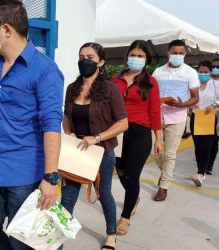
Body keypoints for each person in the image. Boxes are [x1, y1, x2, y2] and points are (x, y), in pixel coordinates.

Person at [0, 1, 64, 249]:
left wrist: (51, 178)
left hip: (26, 175)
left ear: (6, 30)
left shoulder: (44, 70)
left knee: (28, 242)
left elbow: (52, 124)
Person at [62, 42, 128, 250]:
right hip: (76, 151)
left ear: (101, 62)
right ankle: (59, 236)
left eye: (90, 57)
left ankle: (111, 234)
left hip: (101, 152)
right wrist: (69, 133)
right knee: (68, 196)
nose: (85, 61)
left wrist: (96, 137)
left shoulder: (110, 89)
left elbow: (122, 123)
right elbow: (66, 116)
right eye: (81, 57)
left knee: (104, 194)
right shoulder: (72, 89)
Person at [110, 40, 162, 235]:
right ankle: (135, 196)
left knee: (132, 175)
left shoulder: (151, 82)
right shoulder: (115, 78)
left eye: (140, 56)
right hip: (118, 131)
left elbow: (155, 112)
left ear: (146, 59)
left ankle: (125, 217)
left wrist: (158, 138)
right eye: (133, 55)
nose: (136, 59)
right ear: (127, 56)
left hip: (140, 133)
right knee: (121, 171)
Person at [152, 39, 199, 201]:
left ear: (185, 54)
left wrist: (182, 104)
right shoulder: (158, 72)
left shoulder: (190, 73)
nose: (177, 56)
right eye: (174, 53)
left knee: (170, 153)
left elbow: (195, 98)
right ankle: (164, 173)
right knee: (154, 151)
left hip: (177, 117)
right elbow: (151, 93)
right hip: (156, 116)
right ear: (168, 53)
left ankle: (163, 187)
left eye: (181, 53)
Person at [190, 61, 219, 186]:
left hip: (209, 118)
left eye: (205, 72)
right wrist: (190, 104)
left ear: (210, 72)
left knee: (206, 146)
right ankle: (199, 170)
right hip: (196, 117)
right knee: (198, 146)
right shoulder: (193, 85)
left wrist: (214, 105)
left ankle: (201, 173)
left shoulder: (216, 85)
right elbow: (186, 98)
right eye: (200, 72)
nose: (203, 74)